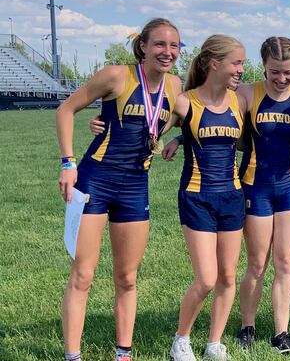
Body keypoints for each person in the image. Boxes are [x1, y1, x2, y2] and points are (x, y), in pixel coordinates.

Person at [56, 18, 182, 361]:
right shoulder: (116, 76)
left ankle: (123, 354)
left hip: (135, 187)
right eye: (159, 44)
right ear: (143, 46)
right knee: (83, 274)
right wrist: (68, 163)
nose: (167, 52)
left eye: (174, 45)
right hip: (94, 181)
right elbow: (66, 109)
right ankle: (72, 356)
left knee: (127, 277)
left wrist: (175, 138)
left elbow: (193, 113)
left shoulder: (175, 85)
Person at [167, 35, 247, 361]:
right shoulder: (185, 102)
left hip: (233, 197)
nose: (241, 69)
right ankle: (181, 340)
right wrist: (175, 138)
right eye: (236, 63)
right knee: (207, 279)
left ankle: (215, 342)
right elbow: (151, 130)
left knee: (228, 276)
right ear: (214, 64)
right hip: (197, 197)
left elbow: (241, 140)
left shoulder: (239, 101)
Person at [234, 37, 290, 353]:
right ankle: (247, 327)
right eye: (274, 72)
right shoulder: (246, 93)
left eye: (288, 72)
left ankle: (281, 332)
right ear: (263, 66)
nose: (281, 79)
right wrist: (179, 140)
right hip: (255, 187)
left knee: (285, 261)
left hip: (289, 188)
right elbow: (215, 117)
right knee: (257, 263)